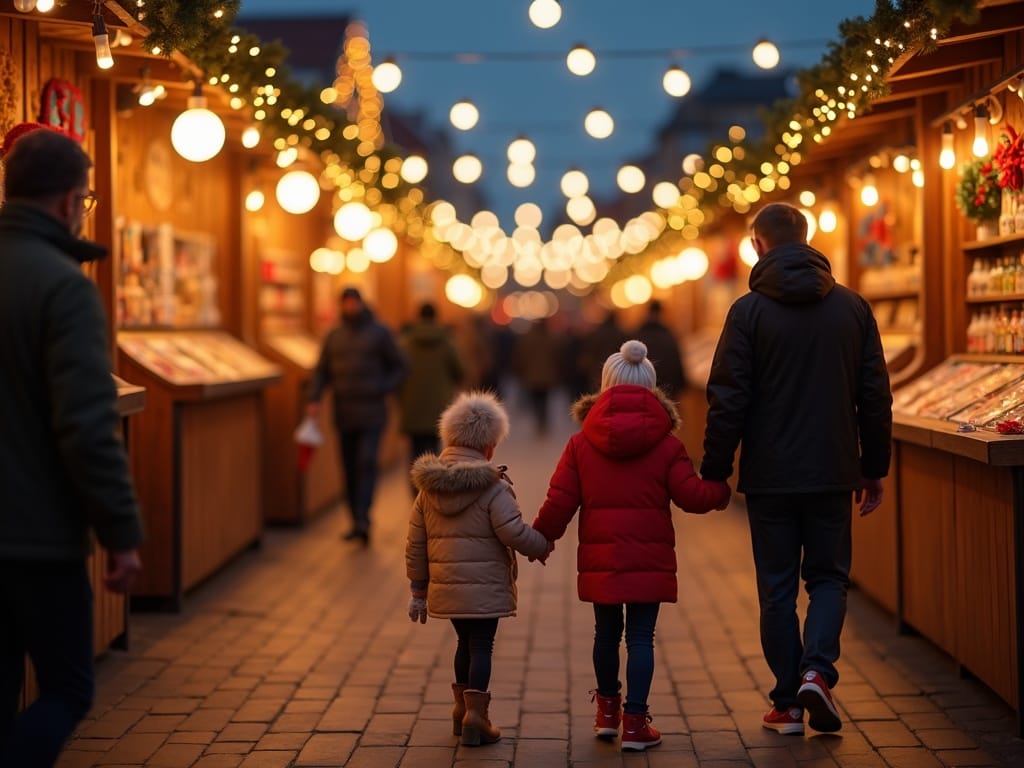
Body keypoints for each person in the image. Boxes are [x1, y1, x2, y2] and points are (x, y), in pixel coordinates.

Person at [700, 202, 892, 736]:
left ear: (757, 246)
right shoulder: (853, 308)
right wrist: (873, 466)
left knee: (777, 589)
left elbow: (728, 398)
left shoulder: (747, 313)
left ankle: (787, 704)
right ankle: (817, 672)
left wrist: (716, 470)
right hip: (834, 470)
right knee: (829, 577)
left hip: (771, 477)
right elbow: (875, 396)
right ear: (806, 239)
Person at [0, 127, 144, 767]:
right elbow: (87, 425)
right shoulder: (63, 286)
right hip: (36, 537)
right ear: (66, 201)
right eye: (85, 198)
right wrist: (120, 530)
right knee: (68, 687)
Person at [532, 340, 731, 752]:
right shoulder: (667, 444)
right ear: (653, 388)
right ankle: (637, 726)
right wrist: (720, 491)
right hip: (649, 557)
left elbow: (560, 501)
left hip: (603, 558)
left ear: (604, 385)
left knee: (605, 635)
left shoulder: (581, 444)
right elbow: (692, 496)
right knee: (641, 638)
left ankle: (607, 715)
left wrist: (541, 537)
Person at [406, 391, 552, 747]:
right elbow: (513, 532)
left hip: (446, 587)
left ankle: (460, 712)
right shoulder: (493, 486)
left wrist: (418, 590)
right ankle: (477, 716)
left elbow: (415, 542)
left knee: (463, 642)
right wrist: (542, 546)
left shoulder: (427, 489)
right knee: (482, 644)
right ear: (488, 447)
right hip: (485, 587)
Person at [308, 287, 407, 545]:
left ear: (362, 303)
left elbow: (400, 366)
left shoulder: (379, 333)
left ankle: (364, 516)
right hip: (344, 411)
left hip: (372, 411)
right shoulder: (334, 336)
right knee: (349, 467)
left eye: (354, 302)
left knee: (367, 462)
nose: (350, 307)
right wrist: (314, 398)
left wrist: (383, 388)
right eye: (346, 303)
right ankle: (355, 519)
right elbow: (322, 371)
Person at [398, 302, 465, 491]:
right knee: (435, 449)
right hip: (439, 406)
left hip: (412, 405)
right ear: (436, 317)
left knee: (415, 450)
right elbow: (459, 371)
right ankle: (432, 488)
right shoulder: (446, 341)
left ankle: (415, 489)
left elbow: (397, 372)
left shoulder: (406, 342)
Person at [635, 299, 686, 401]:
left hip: (642, 390)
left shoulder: (638, 336)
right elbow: (676, 363)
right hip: (668, 392)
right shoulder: (669, 337)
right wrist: (681, 385)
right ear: (661, 313)